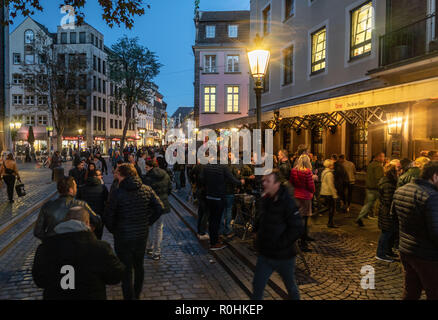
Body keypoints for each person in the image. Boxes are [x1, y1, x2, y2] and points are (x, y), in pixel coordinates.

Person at [32, 206, 124, 300]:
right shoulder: (100, 248)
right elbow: (116, 276)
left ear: (65, 222)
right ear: (87, 223)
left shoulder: (45, 248)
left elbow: (39, 280)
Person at [104, 163, 164, 300]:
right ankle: (136, 295)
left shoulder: (117, 192)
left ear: (121, 175)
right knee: (138, 266)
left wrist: (114, 230)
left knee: (125, 269)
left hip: (123, 237)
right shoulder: (146, 189)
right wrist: (147, 222)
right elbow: (159, 208)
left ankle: (129, 297)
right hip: (141, 235)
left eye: (116, 172)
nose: (114, 174)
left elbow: (108, 215)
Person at [252, 170, 304, 300]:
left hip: (284, 256)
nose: (264, 183)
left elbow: (297, 228)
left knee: (290, 286)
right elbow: (261, 218)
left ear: (277, 184)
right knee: (257, 286)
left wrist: (280, 243)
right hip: (265, 254)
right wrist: (256, 232)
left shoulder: (288, 202)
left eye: (267, 181)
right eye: (263, 180)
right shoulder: (266, 199)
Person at [392, 161, 438, 300]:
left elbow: (393, 219)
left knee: (411, 291)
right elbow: (436, 233)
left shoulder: (401, 190)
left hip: (406, 250)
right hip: (427, 255)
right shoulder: (432, 196)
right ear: (435, 176)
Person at [34, 176, 101, 240]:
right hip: (76, 244)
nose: (76, 188)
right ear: (71, 190)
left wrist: (49, 240)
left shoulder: (48, 206)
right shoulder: (81, 205)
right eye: (75, 186)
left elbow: (38, 231)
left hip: (54, 245)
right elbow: (96, 220)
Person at [200, 162, 244, 250]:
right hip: (218, 197)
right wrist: (240, 182)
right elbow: (232, 179)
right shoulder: (223, 167)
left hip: (209, 196)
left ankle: (214, 239)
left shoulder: (206, 167)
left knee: (212, 220)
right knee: (216, 220)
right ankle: (214, 243)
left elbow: (201, 179)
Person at [143, 160, 172, 261]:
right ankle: (157, 252)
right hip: (162, 205)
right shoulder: (165, 175)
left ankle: (150, 247)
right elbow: (169, 189)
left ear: (150, 167)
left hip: (151, 205)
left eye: (146, 167)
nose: (145, 169)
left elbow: (145, 192)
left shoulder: (147, 177)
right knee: (159, 228)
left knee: (150, 226)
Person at [290, 154, 315, 252]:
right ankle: (303, 243)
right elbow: (310, 186)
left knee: (297, 218)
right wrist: (312, 192)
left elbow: (291, 182)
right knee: (304, 219)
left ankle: (295, 239)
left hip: (296, 196)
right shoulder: (307, 172)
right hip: (305, 197)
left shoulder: (293, 170)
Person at [376, 163, 399, 262]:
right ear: (392, 172)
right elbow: (388, 200)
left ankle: (388, 251)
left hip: (386, 211)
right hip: (387, 212)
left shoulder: (387, 181)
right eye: (397, 170)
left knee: (390, 232)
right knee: (386, 233)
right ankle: (380, 253)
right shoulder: (388, 184)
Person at [77, 170, 108, 240]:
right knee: (98, 238)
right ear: (95, 176)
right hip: (98, 217)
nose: (101, 176)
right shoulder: (103, 188)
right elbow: (107, 202)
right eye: (100, 175)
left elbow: (78, 203)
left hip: (85, 218)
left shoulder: (82, 188)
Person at [356, 152, 385, 227]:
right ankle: (360, 217)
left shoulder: (370, 164)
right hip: (375, 188)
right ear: (378, 157)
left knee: (369, 204)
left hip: (369, 187)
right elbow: (380, 178)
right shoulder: (378, 166)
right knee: (373, 204)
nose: (383, 158)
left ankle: (363, 216)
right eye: (382, 157)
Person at [320, 159, 339, 228]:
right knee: (331, 208)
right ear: (329, 165)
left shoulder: (324, 172)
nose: (333, 166)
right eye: (332, 165)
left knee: (328, 207)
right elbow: (331, 185)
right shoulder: (329, 174)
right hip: (328, 193)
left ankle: (329, 222)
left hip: (324, 191)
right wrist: (335, 195)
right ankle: (330, 223)